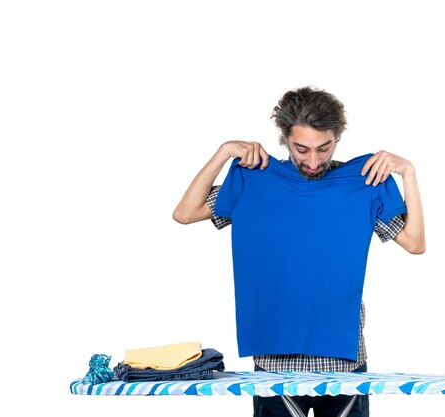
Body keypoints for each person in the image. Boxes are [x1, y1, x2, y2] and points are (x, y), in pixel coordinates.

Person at [173, 86, 425, 417]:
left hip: (343, 359)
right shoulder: (257, 179)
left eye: (324, 148)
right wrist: (222, 153)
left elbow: (415, 243)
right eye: (301, 148)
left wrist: (408, 172)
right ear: (284, 139)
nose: (314, 160)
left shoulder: (363, 181)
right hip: (274, 359)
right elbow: (185, 213)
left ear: (338, 137)